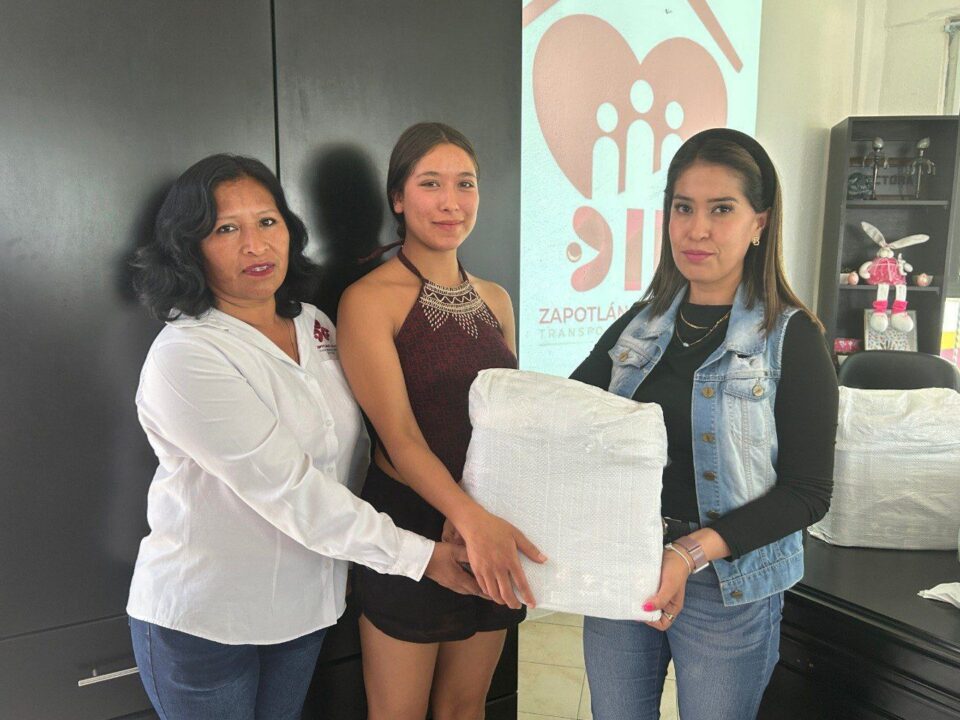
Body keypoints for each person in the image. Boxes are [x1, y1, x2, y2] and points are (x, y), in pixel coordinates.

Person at [126, 153, 481, 720]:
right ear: (189, 247)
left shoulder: (315, 324)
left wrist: (455, 513)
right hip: (207, 622)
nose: (255, 245)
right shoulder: (187, 354)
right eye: (226, 229)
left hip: (304, 612)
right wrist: (422, 557)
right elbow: (292, 491)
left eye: (267, 222)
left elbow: (363, 448)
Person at [570, 128, 839, 720]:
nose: (697, 230)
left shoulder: (793, 339)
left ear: (759, 223)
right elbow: (570, 419)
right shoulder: (638, 325)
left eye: (722, 209)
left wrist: (688, 554)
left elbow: (808, 493)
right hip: (626, 562)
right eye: (683, 208)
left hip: (727, 584)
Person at [337, 122, 545, 720]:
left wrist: (486, 520)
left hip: (490, 521)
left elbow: (507, 425)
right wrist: (469, 519)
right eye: (430, 184)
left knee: (464, 708)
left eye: (465, 184)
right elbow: (400, 438)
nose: (451, 202)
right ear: (398, 198)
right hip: (410, 527)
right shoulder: (368, 299)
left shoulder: (496, 298)